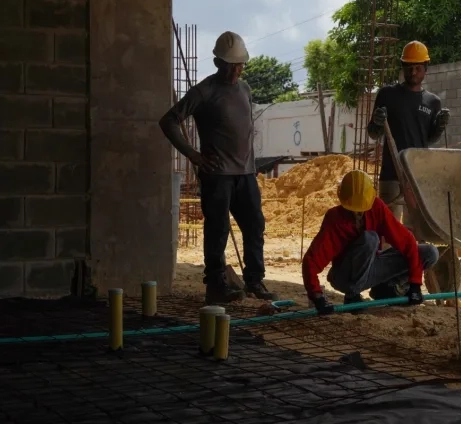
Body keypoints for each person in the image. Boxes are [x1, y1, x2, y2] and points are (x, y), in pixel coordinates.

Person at [159, 30, 278, 305]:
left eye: (239, 66)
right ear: (218, 64)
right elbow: (169, 121)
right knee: (218, 229)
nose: (236, 72)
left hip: (245, 174)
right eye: (231, 66)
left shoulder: (245, 90)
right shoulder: (205, 91)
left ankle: (254, 280)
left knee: (254, 224)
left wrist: (250, 164)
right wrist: (193, 155)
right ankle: (215, 284)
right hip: (217, 176)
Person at [302, 170, 440, 313]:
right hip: (344, 277)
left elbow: (407, 241)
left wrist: (415, 284)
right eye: (353, 210)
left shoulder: (376, 207)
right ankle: (352, 294)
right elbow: (311, 261)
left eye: (361, 209)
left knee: (430, 253)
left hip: (370, 268)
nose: (358, 214)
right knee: (370, 239)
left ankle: (386, 288)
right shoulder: (335, 218)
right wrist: (317, 296)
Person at [366, 41, 450, 227]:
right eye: (409, 68)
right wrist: (378, 122)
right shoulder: (387, 95)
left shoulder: (432, 102)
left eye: (418, 68)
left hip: (417, 176)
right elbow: (373, 133)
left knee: (417, 231)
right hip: (391, 175)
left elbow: (428, 139)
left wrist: (439, 127)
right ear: (403, 67)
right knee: (387, 231)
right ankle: (387, 257)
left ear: (426, 69)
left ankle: (415, 257)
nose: (413, 73)